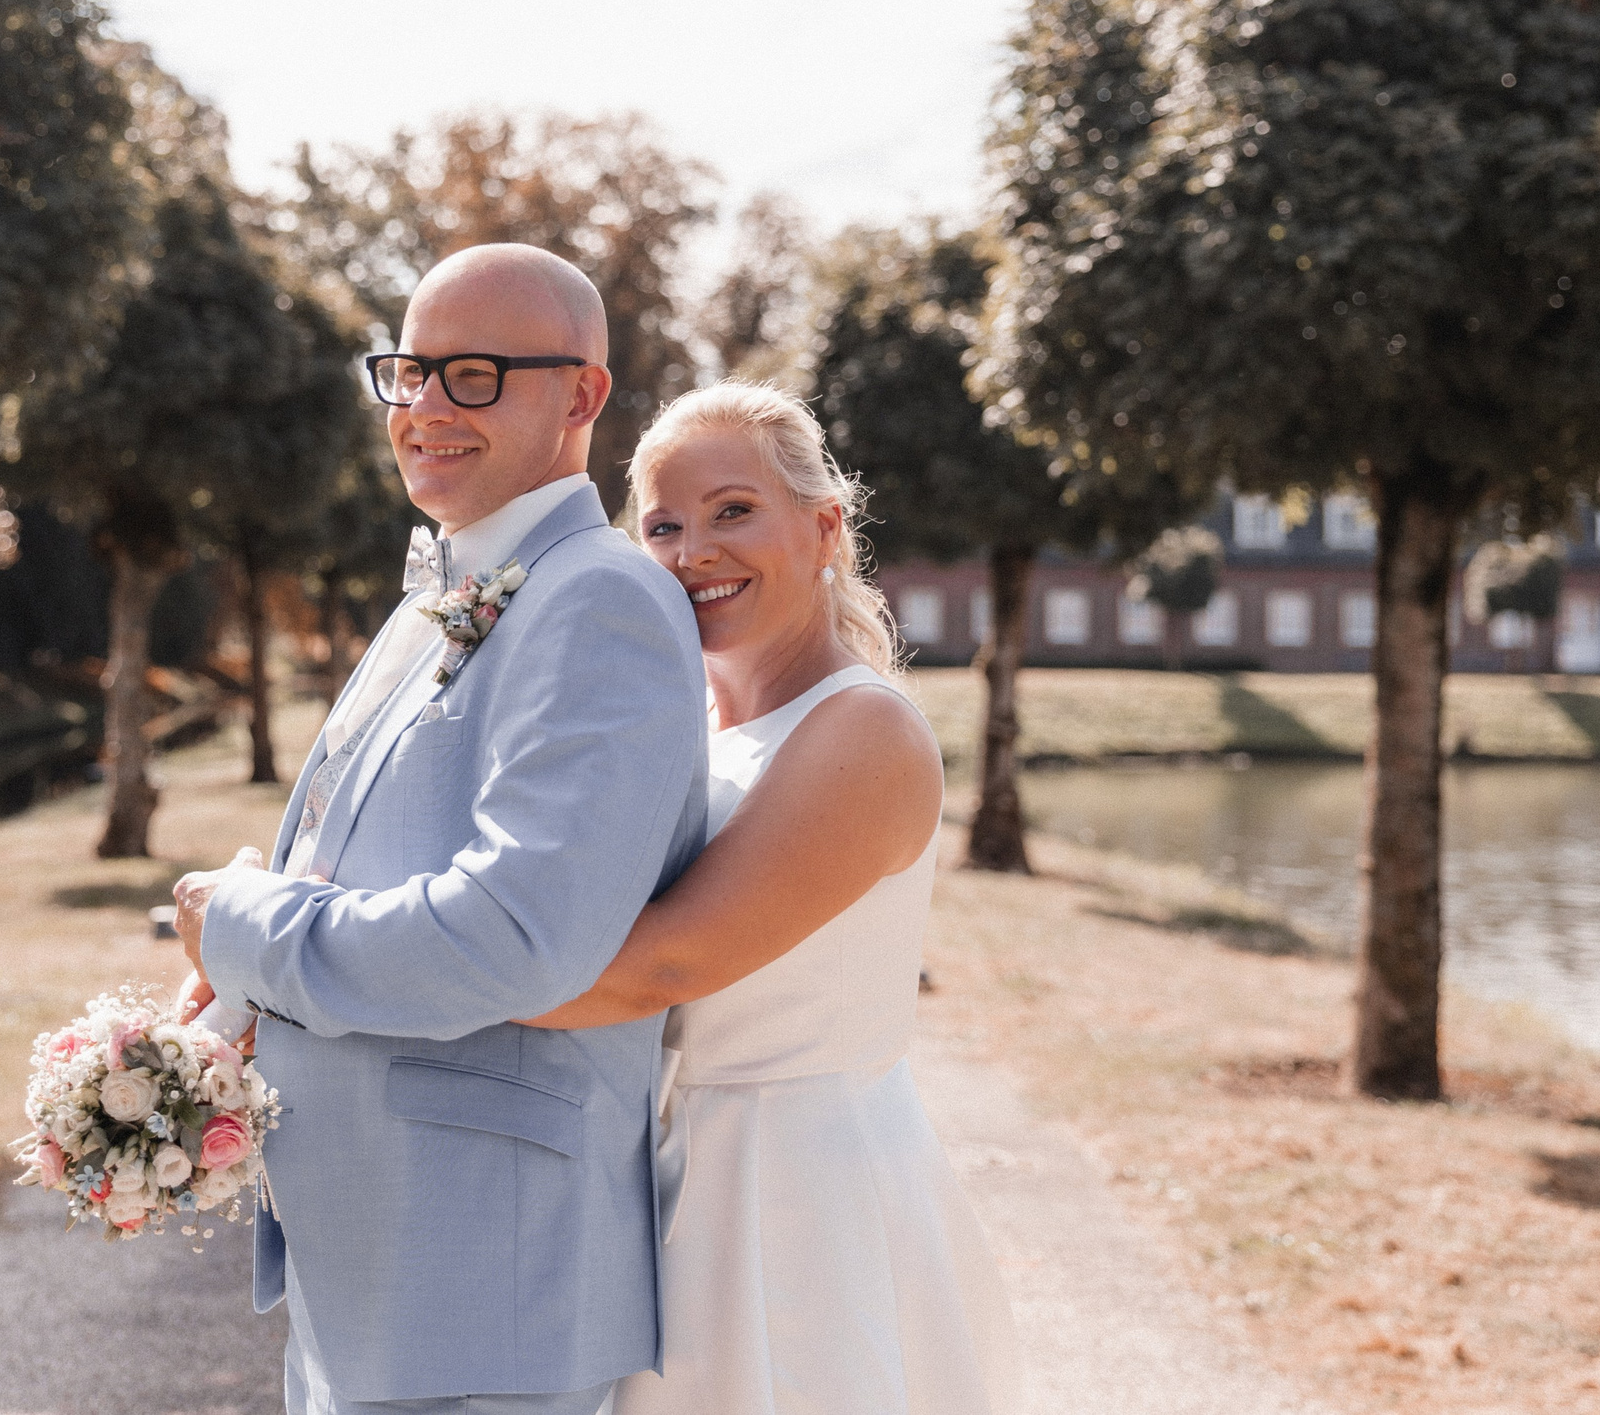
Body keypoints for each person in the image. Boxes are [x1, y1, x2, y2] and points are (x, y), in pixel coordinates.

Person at [171, 243, 710, 1415]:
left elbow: (516, 933)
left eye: (472, 375)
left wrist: (246, 931)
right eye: (408, 372)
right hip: (374, 1259)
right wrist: (231, 1010)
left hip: (484, 1273)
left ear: (582, 394)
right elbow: (349, 858)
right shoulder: (440, 592)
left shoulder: (601, 597)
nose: (423, 409)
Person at [526, 380, 1020, 1415]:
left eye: (732, 512)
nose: (693, 551)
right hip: (665, 1168)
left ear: (825, 528)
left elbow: (665, 966)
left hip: (796, 1193)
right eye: (662, 525)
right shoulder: (685, 726)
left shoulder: (862, 732)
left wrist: (379, 979)